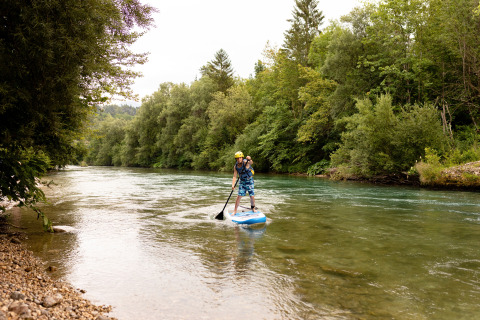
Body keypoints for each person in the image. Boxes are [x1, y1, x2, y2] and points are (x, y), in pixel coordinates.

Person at [232, 151, 256, 216]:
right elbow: (234, 176)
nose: (239, 159)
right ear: (236, 159)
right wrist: (233, 184)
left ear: (242, 158)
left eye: (240, 158)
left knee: (252, 195)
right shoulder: (236, 166)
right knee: (239, 196)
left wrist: (249, 158)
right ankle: (235, 211)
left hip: (249, 180)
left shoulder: (245, 162)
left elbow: (251, 162)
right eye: (237, 158)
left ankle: (253, 208)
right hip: (242, 181)